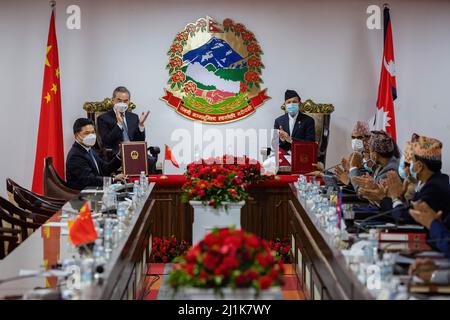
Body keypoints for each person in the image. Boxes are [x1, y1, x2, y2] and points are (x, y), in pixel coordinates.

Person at [380, 135, 450, 229]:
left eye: (412, 161)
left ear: (420, 166)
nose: (409, 166)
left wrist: (395, 198)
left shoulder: (434, 187)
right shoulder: (432, 182)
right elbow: (409, 210)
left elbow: (405, 218)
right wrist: (400, 197)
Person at [96, 86, 156, 172]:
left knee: (150, 161)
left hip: (133, 152)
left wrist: (141, 125)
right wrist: (119, 124)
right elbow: (106, 141)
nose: (122, 103)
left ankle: (146, 184)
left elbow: (140, 140)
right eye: (119, 100)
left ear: (129, 102)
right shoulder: (103, 118)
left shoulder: (133, 117)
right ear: (113, 100)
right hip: (116, 154)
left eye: (125, 101)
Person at [66, 118, 124, 190]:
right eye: (87, 133)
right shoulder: (75, 155)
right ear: (77, 135)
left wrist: (120, 155)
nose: (91, 136)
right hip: (82, 195)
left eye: (93, 132)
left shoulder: (90, 149)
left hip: (95, 189)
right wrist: (113, 179)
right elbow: (89, 179)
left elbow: (105, 168)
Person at [350, 130, 400, 202]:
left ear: (375, 155)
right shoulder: (384, 165)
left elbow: (368, 195)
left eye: (370, 150)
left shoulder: (390, 170)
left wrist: (353, 168)